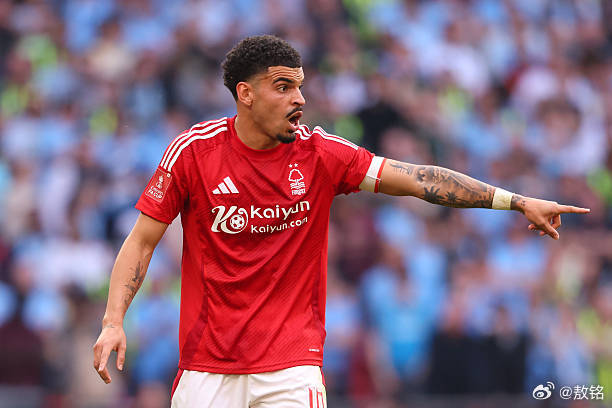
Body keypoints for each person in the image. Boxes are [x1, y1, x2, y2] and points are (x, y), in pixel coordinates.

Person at [92, 35, 589, 407]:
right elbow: (141, 242)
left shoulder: (321, 154)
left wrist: (514, 200)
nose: (299, 99)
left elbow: (418, 179)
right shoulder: (193, 153)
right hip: (206, 368)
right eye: (283, 87)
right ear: (245, 94)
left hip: (291, 369)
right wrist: (114, 322)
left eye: (300, 86)